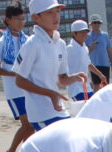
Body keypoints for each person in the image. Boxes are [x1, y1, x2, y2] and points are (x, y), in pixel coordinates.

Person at [12, 0, 86, 131]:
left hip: (58, 108)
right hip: (40, 112)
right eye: (50, 12)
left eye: (57, 11)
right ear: (36, 17)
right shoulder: (32, 44)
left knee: (72, 137)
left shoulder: (60, 43)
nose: (56, 16)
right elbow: (19, 81)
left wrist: (75, 77)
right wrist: (50, 94)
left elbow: (62, 79)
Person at [0, 2, 34, 152]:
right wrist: (15, 73)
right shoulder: (2, 42)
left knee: (32, 124)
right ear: (8, 20)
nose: (21, 22)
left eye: (23, 19)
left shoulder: (27, 40)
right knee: (28, 124)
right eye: (17, 19)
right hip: (14, 90)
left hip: (28, 88)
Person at [66, 19, 108, 101]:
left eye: (86, 32)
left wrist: (100, 75)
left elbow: (88, 64)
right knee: (82, 111)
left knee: (93, 108)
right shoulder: (69, 49)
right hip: (75, 89)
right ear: (74, 33)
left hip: (86, 87)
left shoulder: (85, 48)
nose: (85, 34)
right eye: (82, 32)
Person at [86, 14, 112, 93]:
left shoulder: (105, 35)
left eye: (98, 22)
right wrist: (91, 47)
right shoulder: (87, 36)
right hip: (94, 65)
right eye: (94, 23)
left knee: (105, 84)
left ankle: (106, 101)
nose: (96, 24)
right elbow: (85, 52)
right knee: (96, 85)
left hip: (105, 63)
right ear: (91, 24)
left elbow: (109, 49)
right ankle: (96, 102)